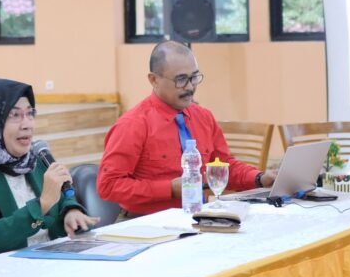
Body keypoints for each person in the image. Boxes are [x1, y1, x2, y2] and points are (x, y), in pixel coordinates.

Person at [98, 41, 276, 216]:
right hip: (145, 223)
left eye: (194, 77)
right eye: (181, 79)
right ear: (154, 80)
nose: (190, 87)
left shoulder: (203, 117)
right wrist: (168, 189)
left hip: (200, 217)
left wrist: (259, 178)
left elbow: (222, 166)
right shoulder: (133, 124)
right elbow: (108, 186)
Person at [0, 78, 99, 264]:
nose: (27, 124)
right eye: (14, 115)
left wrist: (71, 210)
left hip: (47, 267)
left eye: (30, 113)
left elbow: (63, 199)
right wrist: (42, 204)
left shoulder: (33, 160)